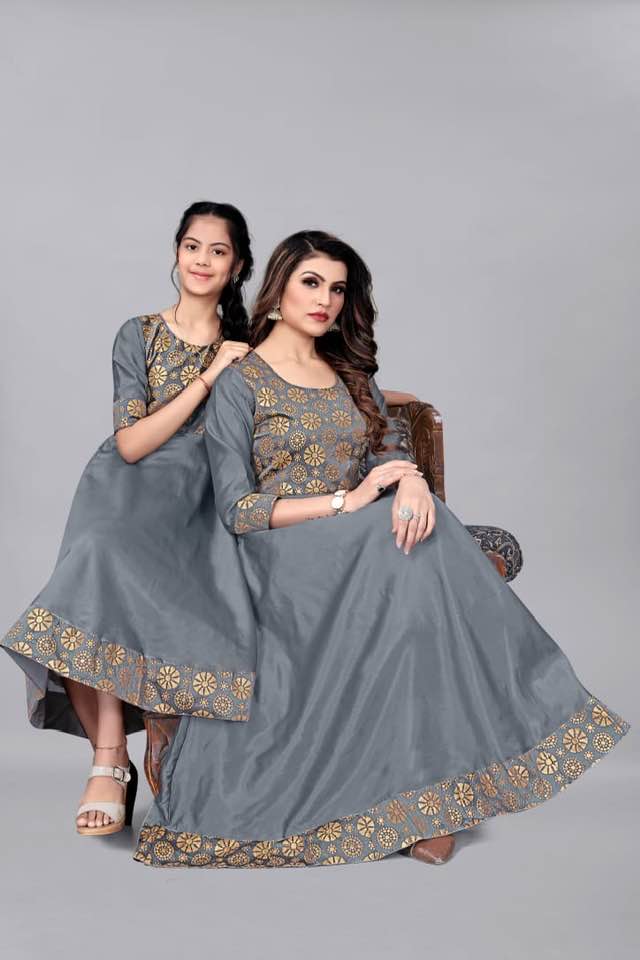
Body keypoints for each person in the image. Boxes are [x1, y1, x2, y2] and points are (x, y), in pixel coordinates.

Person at [134, 229, 628, 869]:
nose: (326, 299)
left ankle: (429, 795)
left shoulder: (352, 376)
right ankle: (448, 785)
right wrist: (350, 500)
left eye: (338, 289)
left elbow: (388, 455)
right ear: (278, 290)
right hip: (280, 554)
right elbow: (238, 510)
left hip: (362, 545)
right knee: (409, 550)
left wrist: (412, 482)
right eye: (312, 283)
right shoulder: (240, 382)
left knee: (418, 547)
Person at [1, 201, 256, 836]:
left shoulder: (250, 345)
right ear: (176, 252)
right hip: (127, 484)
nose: (202, 260)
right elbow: (133, 442)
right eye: (192, 246)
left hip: (203, 493)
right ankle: (111, 752)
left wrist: (375, 399)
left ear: (237, 265)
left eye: (218, 251)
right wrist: (210, 376)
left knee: (108, 572)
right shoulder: (138, 333)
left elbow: (313, 387)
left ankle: (109, 764)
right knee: (97, 557)